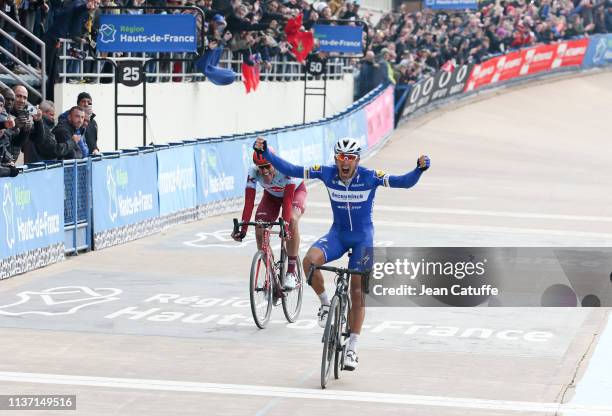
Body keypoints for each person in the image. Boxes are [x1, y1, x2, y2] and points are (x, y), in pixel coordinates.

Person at [253, 136, 430, 371]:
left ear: (357, 160)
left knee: (357, 290)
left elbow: (403, 182)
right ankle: (326, 304)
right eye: (340, 158)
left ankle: (353, 348)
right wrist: (266, 154)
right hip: (338, 234)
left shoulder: (370, 176)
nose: (344, 162)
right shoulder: (327, 173)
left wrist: (418, 169)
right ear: (335, 159)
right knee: (309, 262)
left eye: (349, 158)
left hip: (362, 240)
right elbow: (291, 169)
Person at [232, 148, 307, 290]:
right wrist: (243, 229)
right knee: (259, 227)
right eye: (261, 167)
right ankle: (272, 276)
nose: (264, 171)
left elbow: (287, 201)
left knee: (291, 220)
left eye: (267, 166)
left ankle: (291, 273)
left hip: (294, 193)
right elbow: (249, 202)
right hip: (271, 197)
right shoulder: (252, 172)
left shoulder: (285, 170)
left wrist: (284, 225)